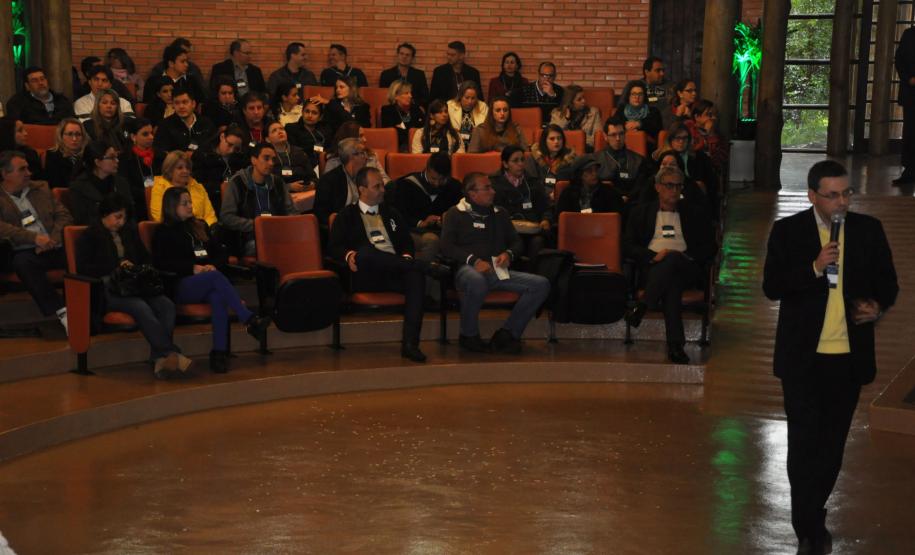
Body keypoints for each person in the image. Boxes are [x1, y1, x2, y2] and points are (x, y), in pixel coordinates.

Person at [762, 160, 898, 555]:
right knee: (803, 442)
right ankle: (808, 528)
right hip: (803, 358)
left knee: (832, 445)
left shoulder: (869, 231)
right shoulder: (788, 232)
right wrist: (814, 266)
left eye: (847, 193)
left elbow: (888, 283)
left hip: (847, 358)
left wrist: (878, 306)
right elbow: (772, 286)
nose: (842, 201)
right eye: (833, 194)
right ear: (812, 196)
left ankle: (811, 514)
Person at [329, 167, 447, 362]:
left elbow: (406, 243)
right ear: (362, 189)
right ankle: (424, 266)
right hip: (366, 274)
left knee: (415, 278)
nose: (383, 190)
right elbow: (334, 247)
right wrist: (348, 255)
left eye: (382, 185)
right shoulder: (346, 215)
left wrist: (407, 257)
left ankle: (410, 345)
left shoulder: (391, 214)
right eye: (377, 186)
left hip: (395, 272)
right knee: (365, 252)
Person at [152, 187, 270, 373]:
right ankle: (247, 318)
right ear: (171, 206)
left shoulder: (198, 226)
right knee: (214, 280)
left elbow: (221, 253)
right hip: (179, 283)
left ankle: (219, 353)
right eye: (185, 203)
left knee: (217, 297)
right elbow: (161, 262)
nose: (190, 206)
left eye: (190, 201)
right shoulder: (163, 232)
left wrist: (212, 265)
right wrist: (193, 268)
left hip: (207, 280)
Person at [75, 193, 188, 378]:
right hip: (109, 288)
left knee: (165, 305)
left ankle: (159, 357)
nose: (121, 221)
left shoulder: (129, 233)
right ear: (104, 215)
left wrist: (134, 267)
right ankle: (169, 352)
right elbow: (84, 268)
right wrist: (116, 266)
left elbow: (145, 258)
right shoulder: (89, 236)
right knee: (140, 307)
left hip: (135, 284)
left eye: (124, 217)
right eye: (117, 217)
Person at [440, 172, 551, 353]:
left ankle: (508, 334)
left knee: (541, 284)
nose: (493, 191)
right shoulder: (455, 214)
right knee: (477, 280)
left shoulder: (500, 213)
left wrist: (508, 254)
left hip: (497, 270)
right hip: (467, 270)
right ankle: (468, 335)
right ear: (472, 193)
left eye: (491, 187)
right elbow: (446, 246)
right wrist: (473, 261)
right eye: (487, 188)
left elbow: (517, 242)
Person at [622, 165, 716, 364]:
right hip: (653, 268)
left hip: (687, 266)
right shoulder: (641, 212)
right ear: (657, 187)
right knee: (671, 286)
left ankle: (643, 305)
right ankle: (675, 347)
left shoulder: (695, 213)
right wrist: (652, 256)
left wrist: (685, 256)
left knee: (673, 259)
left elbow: (710, 247)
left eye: (678, 186)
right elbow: (628, 246)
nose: (674, 190)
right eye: (669, 185)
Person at [0, 150, 72, 332]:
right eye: (22, 170)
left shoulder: (41, 188)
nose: (28, 173)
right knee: (22, 262)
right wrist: (34, 239)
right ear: (4, 174)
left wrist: (53, 240)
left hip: (54, 244)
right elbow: (2, 228)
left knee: (82, 254)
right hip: (24, 249)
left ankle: (96, 308)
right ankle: (63, 312)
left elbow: (64, 215)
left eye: (28, 168)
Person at [220, 142, 296, 256]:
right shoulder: (237, 182)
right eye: (266, 158)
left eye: (273, 159)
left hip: (278, 233)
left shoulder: (278, 182)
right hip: (251, 236)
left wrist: (282, 225)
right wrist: (256, 225)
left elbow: (292, 211)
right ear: (254, 160)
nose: (271, 163)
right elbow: (226, 217)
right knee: (267, 248)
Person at [388, 151, 463, 261]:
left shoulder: (454, 187)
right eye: (433, 178)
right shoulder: (407, 185)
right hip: (414, 230)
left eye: (442, 179)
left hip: (444, 231)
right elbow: (398, 215)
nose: (437, 184)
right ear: (427, 169)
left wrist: (445, 219)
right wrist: (421, 223)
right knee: (432, 241)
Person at [491, 145, 551, 261]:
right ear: (505, 164)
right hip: (507, 231)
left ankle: (532, 275)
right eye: (515, 161)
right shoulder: (494, 185)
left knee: (538, 242)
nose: (520, 164)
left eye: (522, 160)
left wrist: (545, 219)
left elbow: (545, 208)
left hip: (531, 231)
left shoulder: (533, 182)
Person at [652, 121, 717, 216]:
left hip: (694, 198)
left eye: (684, 138)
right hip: (667, 198)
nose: (681, 141)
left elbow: (712, 184)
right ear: (670, 139)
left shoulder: (700, 157)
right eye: (677, 138)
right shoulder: (661, 158)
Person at [68, 140, 135, 225]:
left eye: (116, 157)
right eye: (112, 157)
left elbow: (131, 215)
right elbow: (82, 221)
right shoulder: (78, 187)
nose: (117, 160)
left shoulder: (121, 183)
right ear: (97, 162)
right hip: (95, 234)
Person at [149, 150, 217, 225]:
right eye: (180, 168)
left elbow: (210, 215)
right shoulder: (159, 187)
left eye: (187, 168)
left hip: (201, 230)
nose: (185, 171)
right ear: (169, 170)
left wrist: (207, 229)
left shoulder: (197, 186)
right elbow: (159, 216)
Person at [191, 124, 246, 214]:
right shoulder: (203, 155)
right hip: (210, 201)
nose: (231, 150)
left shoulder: (238, 158)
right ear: (222, 137)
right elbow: (196, 184)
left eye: (236, 148)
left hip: (235, 202)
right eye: (229, 145)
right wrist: (220, 187)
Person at [594, 118, 651, 203]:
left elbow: (642, 188)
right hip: (605, 203)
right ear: (605, 136)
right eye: (613, 135)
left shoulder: (639, 160)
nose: (618, 138)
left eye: (621, 134)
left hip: (633, 204)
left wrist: (628, 198)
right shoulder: (595, 160)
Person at [313, 137, 367, 227]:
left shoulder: (366, 176)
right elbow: (321, 215)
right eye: (362, 153)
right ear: (352, 156)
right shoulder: (329, 181)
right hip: (342, 227)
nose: (366, 156)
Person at [265, 121, 316, 212]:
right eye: (274, 131)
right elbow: (264, 183)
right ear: (267, 139)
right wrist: (288, 187)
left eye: (281, 129)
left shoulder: (299, 152)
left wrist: (311, 185)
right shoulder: (266, 157)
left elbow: (313, 177)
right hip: (278, 198)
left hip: (304, 195)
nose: (280, 132)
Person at [119, 117, 165, 218]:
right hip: (136, 205)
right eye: (145, 134)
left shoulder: (160, 156)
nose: (151, 137)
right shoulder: (124, 159)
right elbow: (126, 187)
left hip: (162, 201)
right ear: (133, 137)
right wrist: (148, 194)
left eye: (152, 133)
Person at [555, 155, 624, 218]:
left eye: (596, 170)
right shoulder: (568, 194)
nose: (595, 174)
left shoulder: (609, 193)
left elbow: (616, 220)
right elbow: (562, 220)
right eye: (589, 171)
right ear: (579, 174)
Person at [323, 122, 391, 183]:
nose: (365, 140)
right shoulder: (334, 162)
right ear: (349, 139)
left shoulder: (371, 156)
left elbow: (385, 179)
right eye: (361, 136)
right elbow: (327, 186)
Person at [524, 124, 577, 200]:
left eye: (559, 138)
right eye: (552, 139)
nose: (556, 142)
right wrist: (546, 196)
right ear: (544, 141)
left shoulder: (570, 159)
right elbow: (531, 184)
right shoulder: (533, 158)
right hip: (538, 200)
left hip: (562, 199)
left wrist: (557, 194)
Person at [5, 66, 74, 125]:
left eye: (42, 79)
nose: (40, 83)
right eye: (35, 80)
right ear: (27, 86)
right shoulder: (17, 103)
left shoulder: (62, 101)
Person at [145, 38, 207, 102]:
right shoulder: (153, 81)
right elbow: (147, 104)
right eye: (182, 61)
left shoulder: (192, 81)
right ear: (171, 63)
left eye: (187, 61)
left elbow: (200, 102)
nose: (187, 64)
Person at [550, 84, 602, 150]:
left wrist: (578, 139)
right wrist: (566, 119)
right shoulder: (557, 113)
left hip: (585, 149)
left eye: (584, 97)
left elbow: (598, 138)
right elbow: (552, 133)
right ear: (570, 102)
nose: (584, 101)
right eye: (579, 99)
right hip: (563, 150)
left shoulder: (593, 112)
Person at [893, 26, 915, 184]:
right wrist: (909, 79)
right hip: (911, 91)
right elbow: (899, 60)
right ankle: (910, 171)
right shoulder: (909, 34)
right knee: (910, 131)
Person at [378, 43, 429, 108]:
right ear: (397, 55)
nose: (404, 57)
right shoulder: (386, 74)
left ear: (412, 58)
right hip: (392, 109)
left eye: (407, 55)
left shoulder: (419, 75)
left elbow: (425, 97)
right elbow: (383, 96)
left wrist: (413, 104)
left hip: (413, 108)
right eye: (401, 54)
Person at [285, 99, 331, 171]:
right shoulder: (291, 128)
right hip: (302, 166)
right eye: (307, 111)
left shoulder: (325, 130)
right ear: (302, 112)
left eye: (314, 113)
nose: (309, 115)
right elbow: (294, 152)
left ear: (320, 117)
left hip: (324, 165)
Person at [685, 99, 728, 177]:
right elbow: (689, 152)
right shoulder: (688, 129)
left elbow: (718, 161)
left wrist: (710, 134)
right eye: (709, 115)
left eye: (715, 115)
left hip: (708, 172)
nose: (714, 118)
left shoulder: (718, 136)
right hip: (690, 169)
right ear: (697, 117)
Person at [380, 81, 424, 152]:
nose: (410, 96)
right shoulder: (388, 110)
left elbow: (423, 129)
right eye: (406, 93)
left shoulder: (416, 109)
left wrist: (402, 128)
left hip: (418, 145)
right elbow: (389, 133)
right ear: (396, 96)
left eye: (410, 93)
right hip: (397, 147)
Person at [43, 118, 88, 189]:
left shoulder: (88, 155)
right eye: (70, 134)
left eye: (78, 134)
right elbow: (55, 185)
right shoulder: (53, 156)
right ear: (61, 136)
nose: (74, 139)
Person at [447, 81, 488, 151]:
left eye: (473, 98)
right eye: (467, 97)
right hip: (455, 144)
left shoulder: (482, 107)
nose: (470, 101)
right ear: (460, 96)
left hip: (476, 146)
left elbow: (486, 128)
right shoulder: (450, 105)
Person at [642, 56, 674, 129]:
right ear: (647, 72)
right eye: (658, 70)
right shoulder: (638, 86)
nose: (662, 73)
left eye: (663, 70)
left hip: (668, 124)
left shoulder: (669, 86)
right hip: (647, 124)